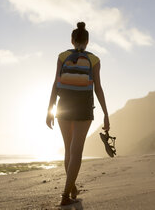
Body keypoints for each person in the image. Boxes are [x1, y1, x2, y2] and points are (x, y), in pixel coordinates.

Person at [46, 22, 110, 206]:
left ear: (72, 40)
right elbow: (98, 88)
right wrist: (105, 113)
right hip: (83, 107)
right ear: (87, 41)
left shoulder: (62, 56)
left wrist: (49, 110)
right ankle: (66, 193)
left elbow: (55, 84)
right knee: (77, 151)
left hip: (63, 106)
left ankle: (71, 188)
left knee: (69, 150)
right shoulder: (94, 60)